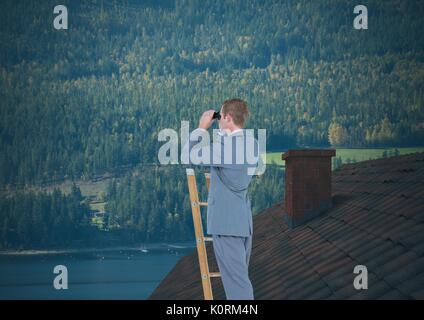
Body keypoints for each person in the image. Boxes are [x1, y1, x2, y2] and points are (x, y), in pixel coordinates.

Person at [181, 98, 261, 300]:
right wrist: (222, 130)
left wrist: (201, 128)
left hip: (226, 225)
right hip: (243, 224)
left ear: (227, 117)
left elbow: (186, 156)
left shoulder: (225, 150)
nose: (217, 122)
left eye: (220, 118)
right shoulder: (252, 144)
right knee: (240, 280)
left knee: (238, 288)